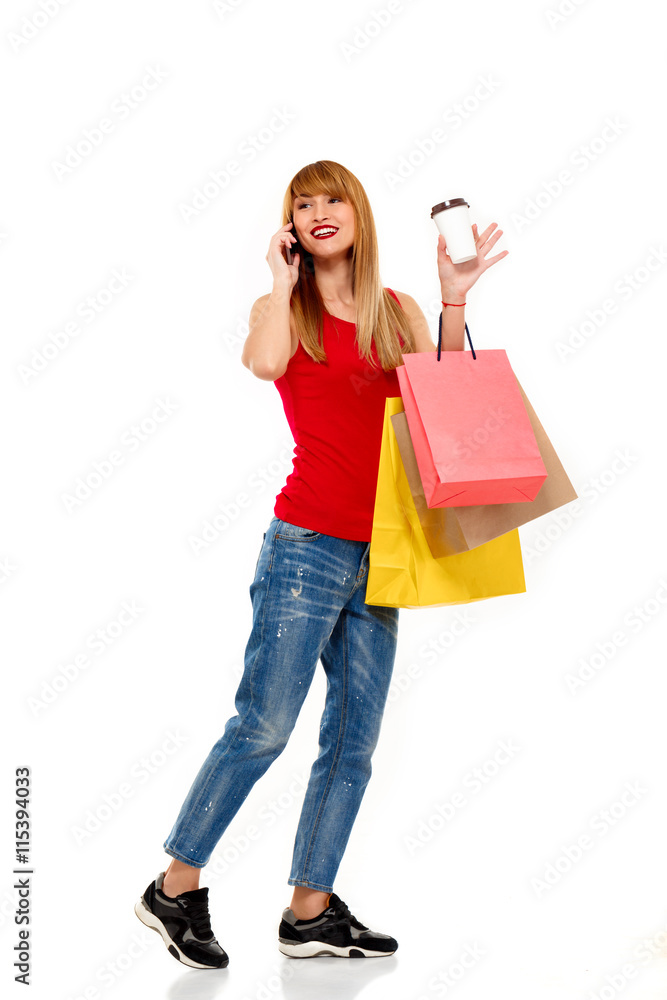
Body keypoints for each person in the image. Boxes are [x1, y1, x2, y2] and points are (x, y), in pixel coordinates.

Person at [134, 160, 508, 969]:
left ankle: (309, 910)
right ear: (291, 228)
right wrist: (278, 277)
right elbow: (264, 365)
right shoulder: (283, 309)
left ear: (356, 212)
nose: (316, 212)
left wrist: (452, 298)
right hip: (305, 546)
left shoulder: (393, 311)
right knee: (263, 725)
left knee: (352, 740)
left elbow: (442, 397)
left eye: (330, 198)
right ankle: (175, 887)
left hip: (382, 548)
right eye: (301, 205)